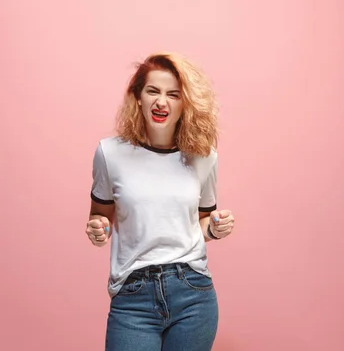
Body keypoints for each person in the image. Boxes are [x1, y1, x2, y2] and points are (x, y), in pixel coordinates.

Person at [85, 52, 235, 351]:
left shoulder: (204, 157)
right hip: (133, 296)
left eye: (173, 94)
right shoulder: (109, 153)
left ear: (185, 102)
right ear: (138, 97)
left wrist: (215, 229)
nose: (161, 102)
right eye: (153, 91)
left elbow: (202, 222)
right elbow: (99, 216)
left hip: (193, 293)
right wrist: (97, 228)